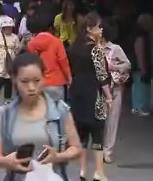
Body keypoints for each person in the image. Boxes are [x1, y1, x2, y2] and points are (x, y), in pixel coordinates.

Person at [0, 52, 82, 181]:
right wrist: (7, 161)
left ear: (44, 77)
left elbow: (76, 148)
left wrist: (58, 156)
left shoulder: (60, 110)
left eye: (37, 81)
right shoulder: (5, 115)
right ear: (14, 79)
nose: (31, 88)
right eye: (24, 81)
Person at [67, 12, 113, 181]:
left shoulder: (74, 47)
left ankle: (82, 170)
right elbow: (102, 76)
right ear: (89, 29)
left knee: (82, 133)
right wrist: (109, 97)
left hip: (78, 90)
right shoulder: (96, 50)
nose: (101, 30)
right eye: (98, 27)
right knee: (97, 131)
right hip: (94, 93)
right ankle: (99, 172)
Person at [101, 22, 131, 164]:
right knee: (99, 121)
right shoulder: (93, 49)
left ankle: (108, 151)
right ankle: (99, 148)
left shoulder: (115, 49)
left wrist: (113, 66)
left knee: (112, 121)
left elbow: (127, 64)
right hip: (98, 89)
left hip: (114, 88)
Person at [27, 12, 72, 102]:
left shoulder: (31, 44)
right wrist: (69, 78)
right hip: (57, 82)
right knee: (57, 112)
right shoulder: (57, 42)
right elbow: (63, 61)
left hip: (39, 83)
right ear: (50, 28)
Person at [0, 18, 21, 106]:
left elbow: (17, 49)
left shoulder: (15, 37)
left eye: (10, 27)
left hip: (10, 61)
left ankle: (7, 99)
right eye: (6, 27)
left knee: (9, 81)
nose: (8, 29)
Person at [131, 14, 153, 116]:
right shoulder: (141, 37)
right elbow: (140, 52)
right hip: (140, 65)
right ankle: (139, 107)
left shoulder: (139, 36)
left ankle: (138, 107)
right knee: (140, 86)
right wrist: (142, 67)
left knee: (138, 85)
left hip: (137, 65)